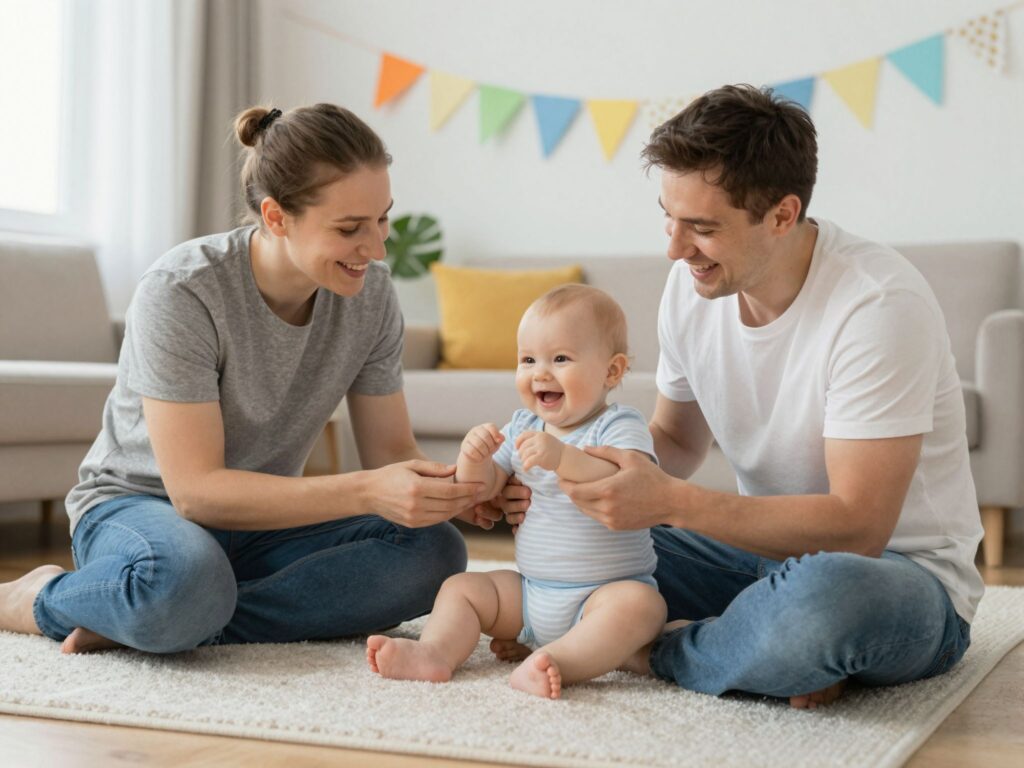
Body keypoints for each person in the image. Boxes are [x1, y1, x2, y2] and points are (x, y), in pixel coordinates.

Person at [502, 85, 985, 709]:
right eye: (670, 218)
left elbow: (860, 528)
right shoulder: (691, 286)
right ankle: (767, 653)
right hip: (756, 554)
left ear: (782, 215)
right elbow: (674, 442)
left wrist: (672, 502)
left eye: (703, 228)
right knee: (583, 540)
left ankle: (656, 651)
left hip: (893, 575)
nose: (675, 248)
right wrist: (570, 482)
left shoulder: (877, 305)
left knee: (822, 601)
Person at [0, 103, 500, 654]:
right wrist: (365, 491)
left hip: (265, 521)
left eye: (382, 218)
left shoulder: (372, 295)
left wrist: (458, 492)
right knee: (183, 580)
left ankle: (176, 617)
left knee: (434, 550)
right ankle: (39, 598)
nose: (377, 247)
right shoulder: (183, 290)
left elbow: (391, 452)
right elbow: (196, 494)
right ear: (276, 216)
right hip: (141, 508)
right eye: (349, 228)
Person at [366, 285, 667, 698]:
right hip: (529, 594)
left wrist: (563, 458)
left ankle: (558, 661)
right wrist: (474, 459)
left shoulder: (619, 425)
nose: (540, 373)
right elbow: (483, 488)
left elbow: (627, 479)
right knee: (462, 588)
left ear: (612, 372)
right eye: (528, 360)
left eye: (560, 359)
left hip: (602, 596)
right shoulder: (524, 426)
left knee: (643, 607)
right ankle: (435, 652)